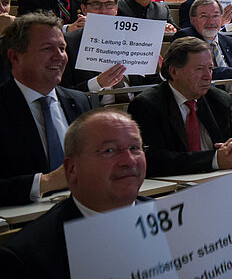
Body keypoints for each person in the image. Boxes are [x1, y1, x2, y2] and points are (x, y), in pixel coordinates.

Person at [0, 108, 147, 278]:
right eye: (109, 150)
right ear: (71, 169)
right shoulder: (26, 259)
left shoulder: (168, 218)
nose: (129, 161)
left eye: (134, 147)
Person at [128, 36, 232, 177]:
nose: (208, 76)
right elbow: (154, 159)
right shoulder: (146, 105)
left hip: (222, 178)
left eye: (210, 69)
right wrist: (214, 160)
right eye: (199, 69)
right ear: (174, 72)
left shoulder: (219, 99)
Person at [0, 13, 92, 206]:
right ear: (14, 56)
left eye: (62, 48)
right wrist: (46, 183)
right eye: (47, 48)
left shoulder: (79, 101)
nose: (59, 56)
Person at [61, 0, 158, 99]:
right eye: (96, 5)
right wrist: (97, 83)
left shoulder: (135, 39)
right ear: (84, 9)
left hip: (136, 105)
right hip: (94, 107)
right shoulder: (69, 43)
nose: (103, 10)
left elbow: (148, 83)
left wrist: (163, 73)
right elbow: (63, 92)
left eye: (109, 5)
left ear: (116, 9)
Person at [173, 0, 232, 80]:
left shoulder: (231, 43)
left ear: (221, 18)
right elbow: (201, 71)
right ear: (193, 20)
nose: (211, 21)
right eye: (204, 16)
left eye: (215, 16)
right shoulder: (185, 38)